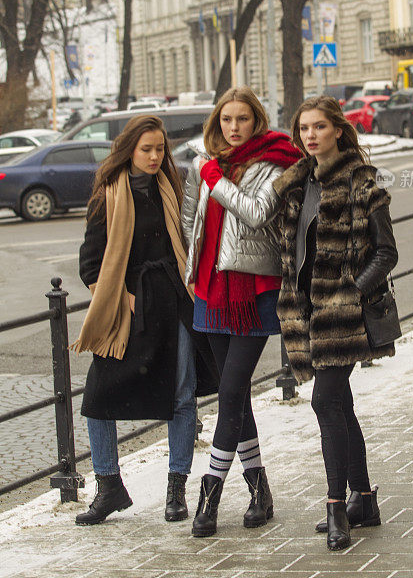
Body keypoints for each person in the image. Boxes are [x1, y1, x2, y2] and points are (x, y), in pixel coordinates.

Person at [73, 115, 218, 526]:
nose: (155, 157)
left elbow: (194, 238)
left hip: (175, 301)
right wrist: (121, 296)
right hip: (130, 311)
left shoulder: (173, 186)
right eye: (146, 149)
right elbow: (90, 266)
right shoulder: (108, 196)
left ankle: (177, 490)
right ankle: (109, 486)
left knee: (182, 395)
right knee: (98, 400)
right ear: (129, 150)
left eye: (160, 149)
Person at [273, 96, 398, 552]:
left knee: (325, 401)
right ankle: (364, 498)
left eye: (319, 127)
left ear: (338, 131)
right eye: (303, 128)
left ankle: (335, 507)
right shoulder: (296, 185)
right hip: (305, 312)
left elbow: (387, 253)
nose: (310, 135)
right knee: (339, 404)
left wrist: (352, 291)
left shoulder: (363, 183)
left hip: (342, 317)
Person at [181, 87, 300, 537]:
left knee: (231, 390)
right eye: (226, 120)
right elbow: (191, 220)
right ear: (217, 123)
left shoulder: (272, 165)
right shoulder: (204, 165)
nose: (233, 127)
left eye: (242, 119)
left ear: (257, 121)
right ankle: (258, 490)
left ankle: (208, 495)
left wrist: (216, 179)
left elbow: (255, 214)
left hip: (254, 292)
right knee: (235, 397)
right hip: (211, 290)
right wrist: (190, 273)